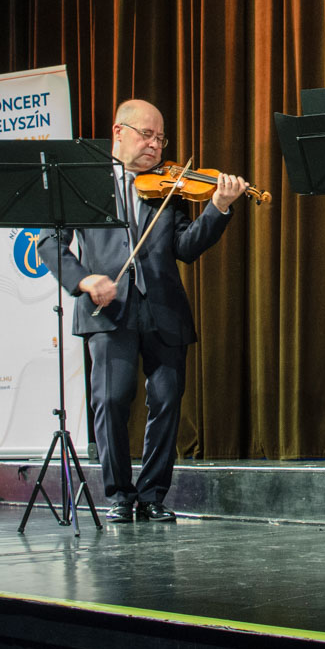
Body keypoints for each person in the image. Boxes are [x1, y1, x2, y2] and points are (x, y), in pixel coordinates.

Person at [39, 99, 245, 522]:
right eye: (147, 135)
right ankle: (119, 494)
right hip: (108, 308)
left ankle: (152, 494)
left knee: (167, 400)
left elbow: (184, 247)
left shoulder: (167, 186)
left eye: (160, 138)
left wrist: (218, 208)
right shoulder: (83, 179)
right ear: (119, 132)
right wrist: (84, 280)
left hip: (163, 309)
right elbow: (49, 242)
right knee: (111, 400)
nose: (155, 145)